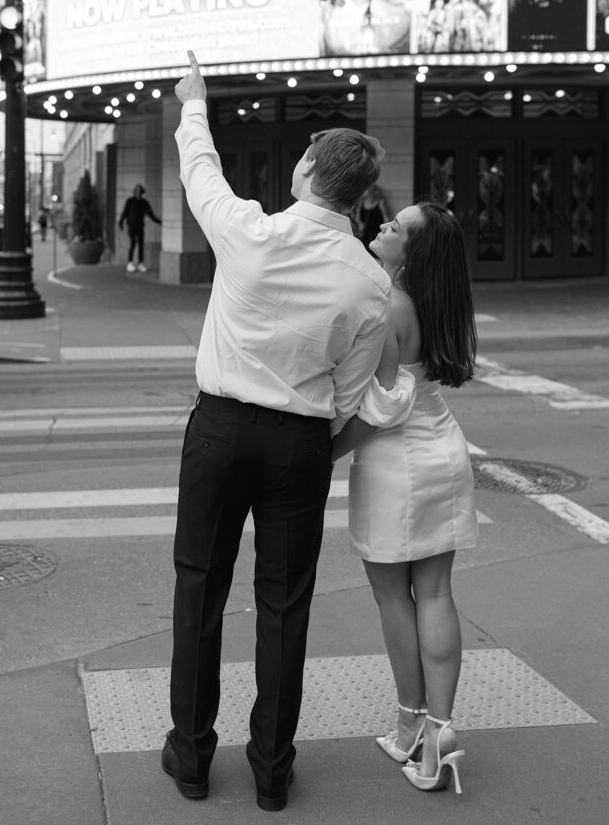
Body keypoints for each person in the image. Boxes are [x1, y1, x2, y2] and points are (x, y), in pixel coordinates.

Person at [163, 51, 414, 812]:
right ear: (360, 195)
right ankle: (272, 771)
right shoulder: (370, 281)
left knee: (198, 590)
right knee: (283, 605)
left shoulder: (248, 230)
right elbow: (351, 393)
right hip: (298, 445)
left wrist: (196, 99)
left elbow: (198, 167)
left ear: (306, 168)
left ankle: (194, 757)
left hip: (218, 430)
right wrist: (311, 443)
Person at [332, 200, 478, 796]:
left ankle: (411, 720)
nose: (384, 225)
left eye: (397, 226)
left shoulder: (389, 304)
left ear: (411, 253)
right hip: (444, 448)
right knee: (437, 591)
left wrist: (325, 453)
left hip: (396, 462)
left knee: (395, 597)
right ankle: (434, 732)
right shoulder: (441, 302)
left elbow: (383, 407)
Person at [118, 183, 161, 272]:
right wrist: (121, 222)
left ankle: (140, 263)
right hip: (131, 226)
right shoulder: (130, 201)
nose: (138, 193)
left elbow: (151, 214)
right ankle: (130, 262)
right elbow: (125, 213)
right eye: (136, 191)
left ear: (142, 193)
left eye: (140, 191)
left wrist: (160, 222)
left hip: (140, 226)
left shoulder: (144, 203)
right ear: (134, 192)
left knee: (141, 244)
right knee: (133, 243)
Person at [353, 184, 392, 252]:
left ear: (371, 191)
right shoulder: (362, 203)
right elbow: (359, 221)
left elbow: (386, 219)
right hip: (366, 235)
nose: (363, 192)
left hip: (377, 234)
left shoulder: (380, 203)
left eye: (365, 190)